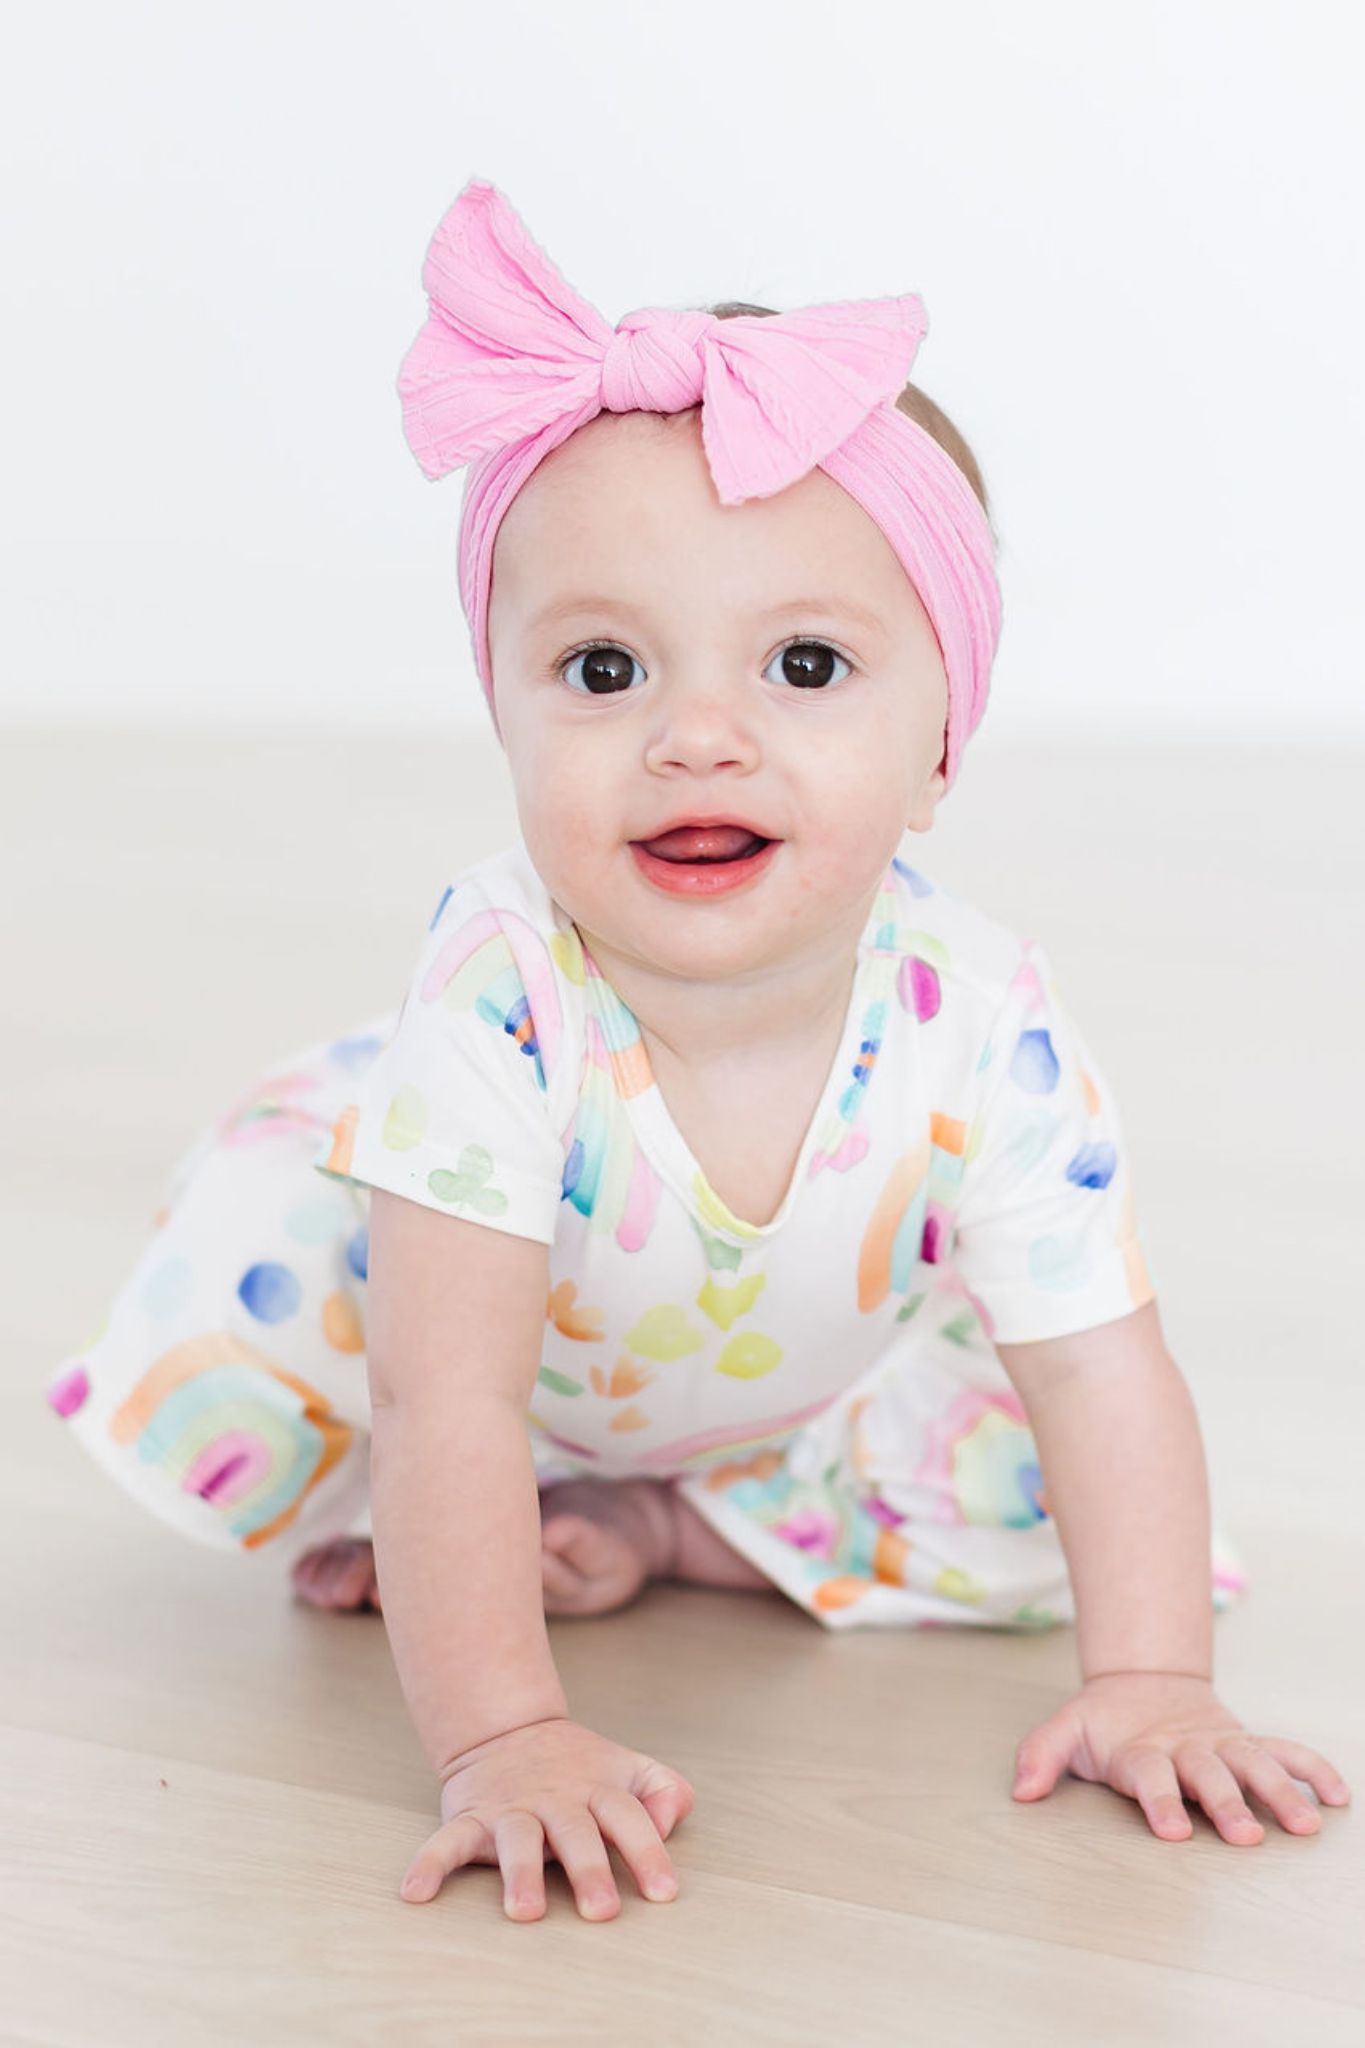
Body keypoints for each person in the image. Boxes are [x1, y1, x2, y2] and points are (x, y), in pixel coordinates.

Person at [44, 178, 1351, 1923]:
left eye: (804, 663)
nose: (696, 739)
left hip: (767, 1363)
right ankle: (512, 1547)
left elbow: (1103, 1368)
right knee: (393, 1386)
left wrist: (1153, 1686)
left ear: (942, 745)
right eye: (601, 670)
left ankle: (668, 1525)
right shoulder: (503, 1003)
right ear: (497, 703)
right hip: (436, 1336)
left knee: (1059, 1498)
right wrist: (500, 1735)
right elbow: (451, 1398)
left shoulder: (982, 1016)